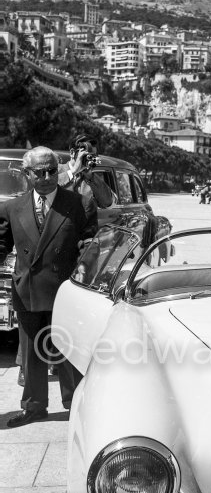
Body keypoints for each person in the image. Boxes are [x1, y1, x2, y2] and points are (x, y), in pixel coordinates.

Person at [0, 147, 96, 427]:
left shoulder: (78, 204)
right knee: (30, 352)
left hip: (65, 289)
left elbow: (90, 242)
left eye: (51, 170)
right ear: (26, 174)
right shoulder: (12, 207)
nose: (46, 177)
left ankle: (75, 404)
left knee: (67, 349)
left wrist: (84, 267)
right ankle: (34, 406)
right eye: (38, 172)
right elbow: (2, 245)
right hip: (28, 288)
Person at [58, 134, 114, 216]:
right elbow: (45, 189)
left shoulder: (91, 178)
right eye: (86, 155)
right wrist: (73, 172)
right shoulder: (56, 171)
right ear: (72, 153)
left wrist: (91, 178)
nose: (90, 159)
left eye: (93, 156)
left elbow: (108, 203)